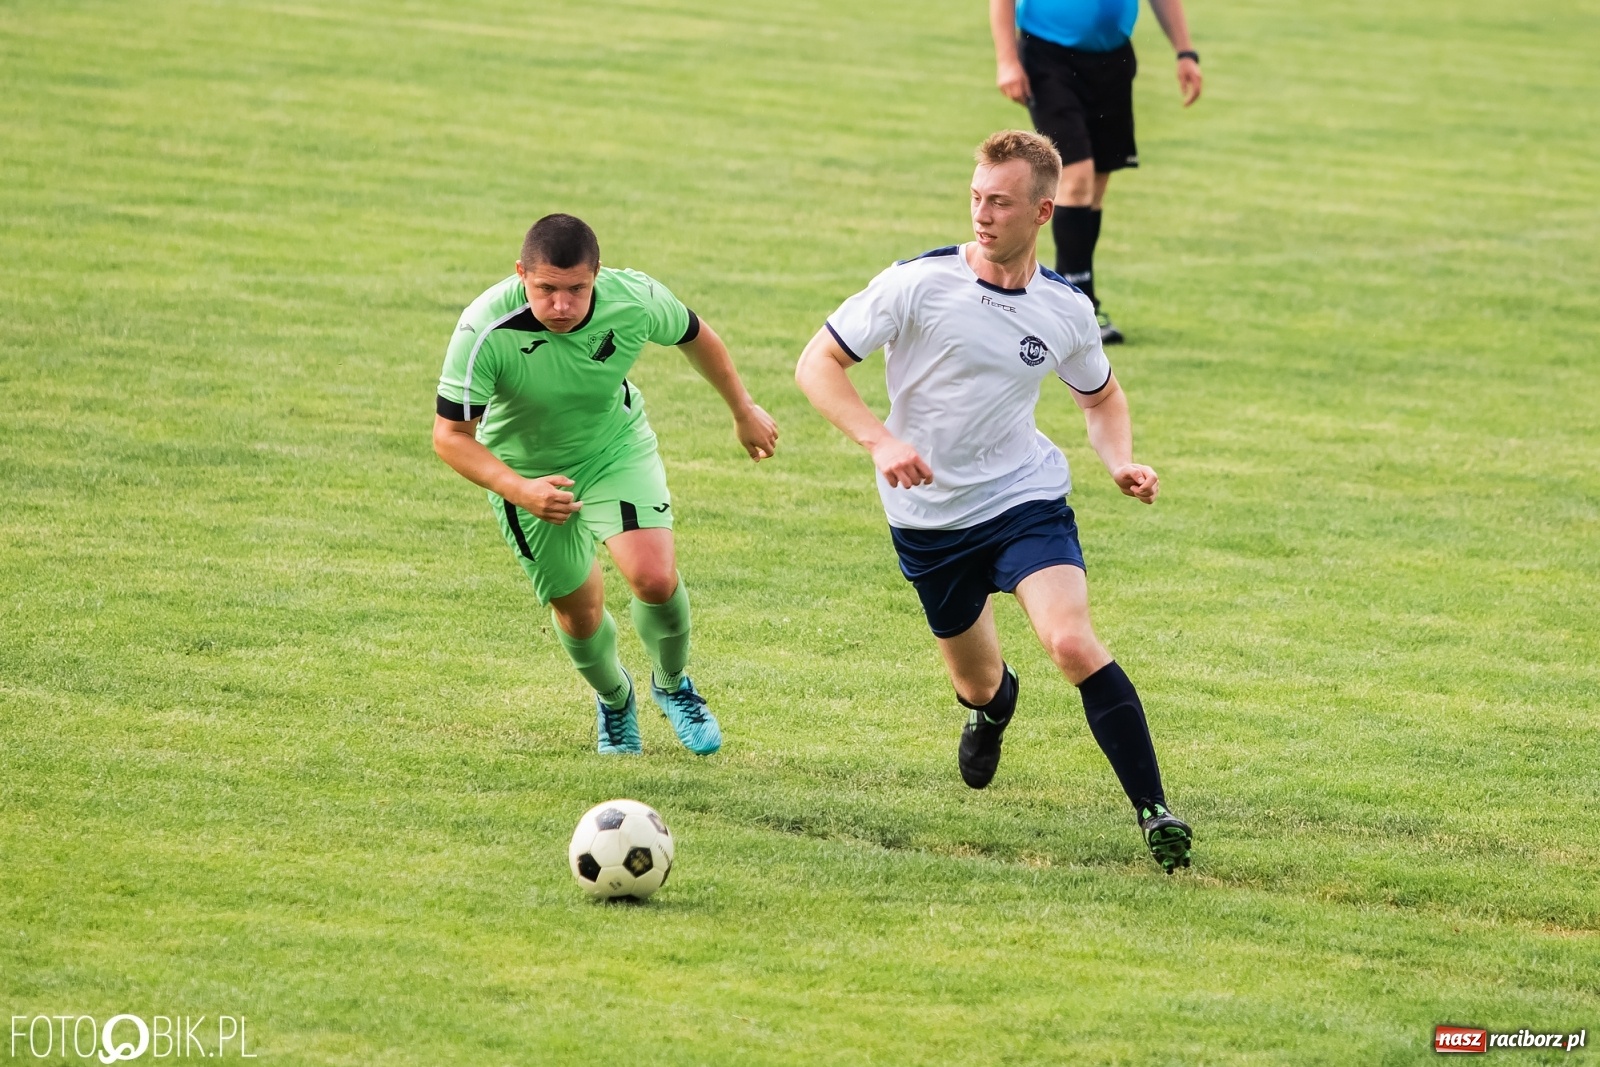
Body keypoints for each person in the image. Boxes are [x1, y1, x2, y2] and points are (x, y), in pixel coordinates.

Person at [794, 131, 1191, 872]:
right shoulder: (916, 284)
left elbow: (1101, 398)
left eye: (1001, 203)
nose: (982, 214)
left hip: (1023, 498)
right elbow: (817, 364)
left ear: (1042, 211)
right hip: (928, 518)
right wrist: (880, 441)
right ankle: (992, 706)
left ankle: (1155, 811)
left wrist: (1121, 461)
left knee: (1070, 642)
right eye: (977, 197)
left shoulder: (1065, 308)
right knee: (977, 682)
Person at [433, 214, 778, 756]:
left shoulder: (633, 298)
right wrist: (521, 490)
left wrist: (743, 410)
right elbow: (451, 436)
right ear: (521, 273)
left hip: (613, 449)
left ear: (597, 273)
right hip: (526, 474)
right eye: (545, 289)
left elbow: (696, 335)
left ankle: (673, 686)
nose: (561, 305)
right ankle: (615, 700)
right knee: (580, 613)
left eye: (577, 289)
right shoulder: (484, 329)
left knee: (654, 578)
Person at [988, 0, 1202, 344]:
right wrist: (1007, 60)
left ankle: (1074, 299)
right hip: (1048, 57)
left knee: (1096, 185)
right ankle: (1075, 305)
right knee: (1076, 178)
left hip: (1112, 63)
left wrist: (1185, 52)